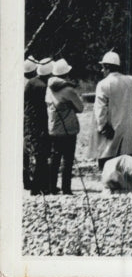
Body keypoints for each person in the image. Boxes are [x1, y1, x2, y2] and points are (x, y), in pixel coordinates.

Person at [94, 51, 132, 170]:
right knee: (126, 163)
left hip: (110, 127)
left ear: (107, 67)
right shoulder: (130, 81)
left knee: (108, 164)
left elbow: (100, 109)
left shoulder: (103, 84)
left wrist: (102, 127)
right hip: (128, 128)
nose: (102, 70)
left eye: (103, 67)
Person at [45, 58, 84, 195]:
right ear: (66, 74)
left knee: (54, 159)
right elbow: (80, 108)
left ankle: (51, 188)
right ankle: (66, 188)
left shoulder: (49, 88)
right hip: (68, 129)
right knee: (67, 160)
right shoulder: (68, 90)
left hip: (53, 129)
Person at [24, 59, 53, 195]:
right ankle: (39, 187)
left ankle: (41, 185)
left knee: (39, 155)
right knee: (42, 156)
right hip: (41, 124)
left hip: (31, 123)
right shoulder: (43, 86)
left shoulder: (31, 83)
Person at [23, 58, 38, 189]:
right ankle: (29, 180)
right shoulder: (33, 85)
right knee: (30, 150)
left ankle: (25, 179)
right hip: (29, 120)